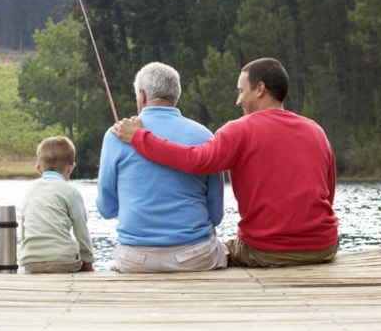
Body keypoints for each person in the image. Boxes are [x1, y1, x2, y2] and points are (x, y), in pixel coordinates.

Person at [113, 57, 338, 268]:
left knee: (222, 250)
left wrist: (139, 138)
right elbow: (328, 193)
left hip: (266, 251)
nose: (238, 100)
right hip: (324, 247)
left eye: (241, 91)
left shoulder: (240, 130)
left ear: (260, 89)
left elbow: (196, 160)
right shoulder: (315, 130)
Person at [97, 62, 227, 273]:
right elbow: (216, 215)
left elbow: (106, 208)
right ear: (176, 95)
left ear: (141, 95)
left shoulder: (116, 135)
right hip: (195, 257)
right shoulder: (204, 135)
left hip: (136, 259)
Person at [18, 136, 95, 274]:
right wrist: (88, 261)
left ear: (39, 168)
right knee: (74, 256)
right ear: (71, 167)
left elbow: (24, 229)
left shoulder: (29, 191)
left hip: (31, 261)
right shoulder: (71, 192)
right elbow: (81, 229)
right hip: (63, 261)